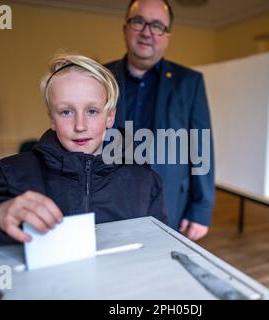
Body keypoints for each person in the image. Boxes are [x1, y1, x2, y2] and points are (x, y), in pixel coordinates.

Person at [0, 54, 166, 252]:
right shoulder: (13, 173)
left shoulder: (144, 180)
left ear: (110, 117)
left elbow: (163, 249)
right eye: (66, 112)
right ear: (52, 119)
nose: (80, 125)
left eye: (92, 111)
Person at [105, 0, 215, 241]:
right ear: (125, 29)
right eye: (138, 22)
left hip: (169, 201)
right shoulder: (101, 77)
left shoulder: (189, 82)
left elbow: (201, 146)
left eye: (157, 26)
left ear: (167, 37)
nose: (147, 32)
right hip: (108, 200)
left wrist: (201, 209)